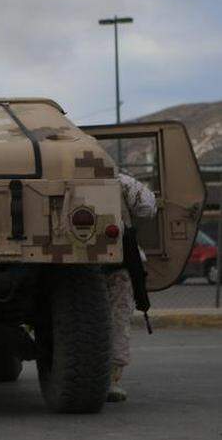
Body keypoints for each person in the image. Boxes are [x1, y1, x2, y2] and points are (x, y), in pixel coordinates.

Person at [106, 170, 157, 403]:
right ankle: (111, 380)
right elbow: (147, 207)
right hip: (117, 261)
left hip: (67, 266)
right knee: (118, 318)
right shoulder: (118, 179)